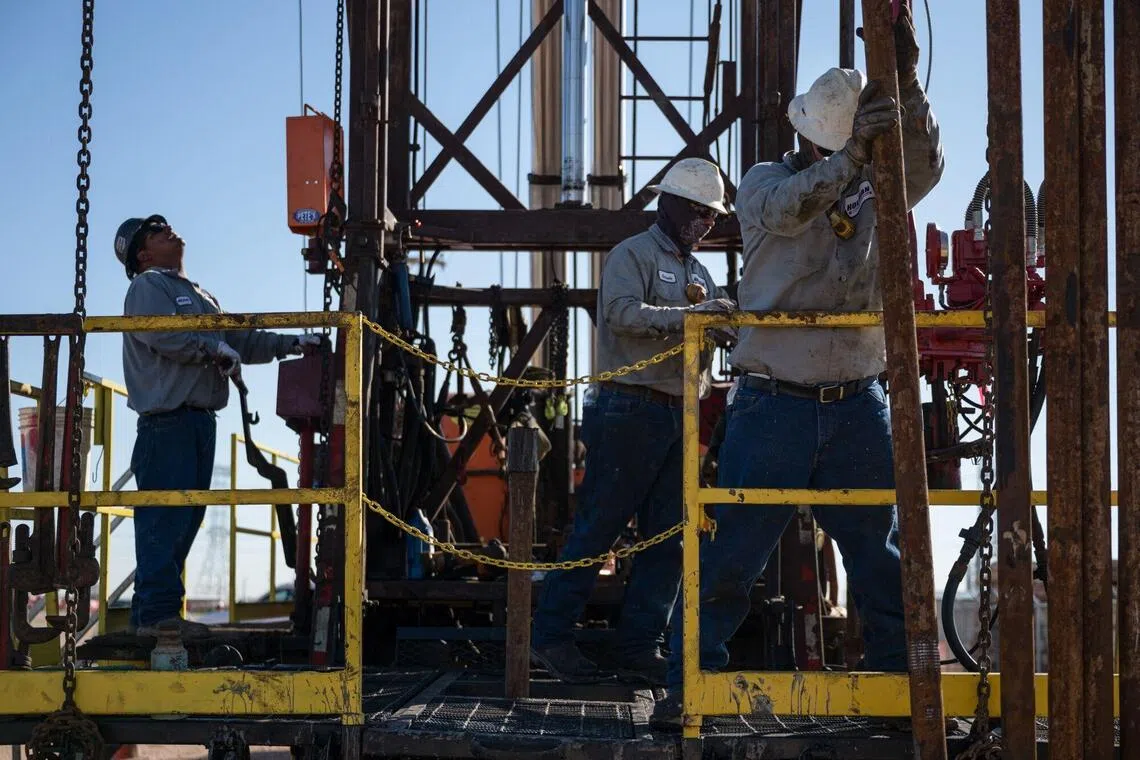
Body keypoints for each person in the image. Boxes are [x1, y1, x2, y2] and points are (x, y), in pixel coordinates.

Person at [654, 4, 944, 722]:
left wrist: (906, 84)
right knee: (731, 558)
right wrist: (852, 160)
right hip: (772, 403)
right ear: (815, 140)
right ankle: (688, 685)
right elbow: (790, 211)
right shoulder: (761, 183)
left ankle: (902, 693)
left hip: (858, 404)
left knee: (884, 562)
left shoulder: (883, 183)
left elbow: (927, 164)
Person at [530, 157, 736, 686]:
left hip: (677, 414)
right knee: (600, 524)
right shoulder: (633, 255)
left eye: (710, 217)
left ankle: (639, 645)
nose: (704, 223)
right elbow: (621, 312)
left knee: (667, 537)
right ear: (666, 204)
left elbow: (695, 332)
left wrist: (720, 329)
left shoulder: (700, 273)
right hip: (629, 409)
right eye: (697, 212)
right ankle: (550, 637)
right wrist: (692, 319)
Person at [113, 214, 321, 637]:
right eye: (156, 231)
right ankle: (155, 616)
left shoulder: (198, 295)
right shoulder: (148, 286)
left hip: (197, 422)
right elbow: (166, 337)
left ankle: (154, 616)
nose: (168, 229)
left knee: (185, 519)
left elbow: (239, 339)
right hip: (166, 423)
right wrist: (211, 351)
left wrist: (293, 344)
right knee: (165, 519)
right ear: (143, 254)